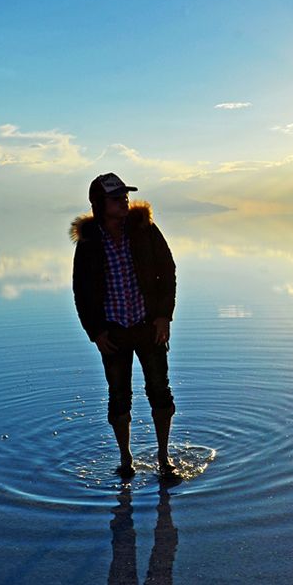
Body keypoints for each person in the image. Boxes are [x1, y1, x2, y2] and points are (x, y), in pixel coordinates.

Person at [71, 172, 178, 479]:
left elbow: (167, 271)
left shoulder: (145, 230)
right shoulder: (89, 243)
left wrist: (163, 316)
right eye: (116, 198)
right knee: (119, 396)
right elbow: (82, 290)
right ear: (99, 205)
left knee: (160, 391)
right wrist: (96, 332)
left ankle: (163, 456)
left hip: (149, 326)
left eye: (124, 196)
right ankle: (126, 460)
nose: (124, 202)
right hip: (113, 331)